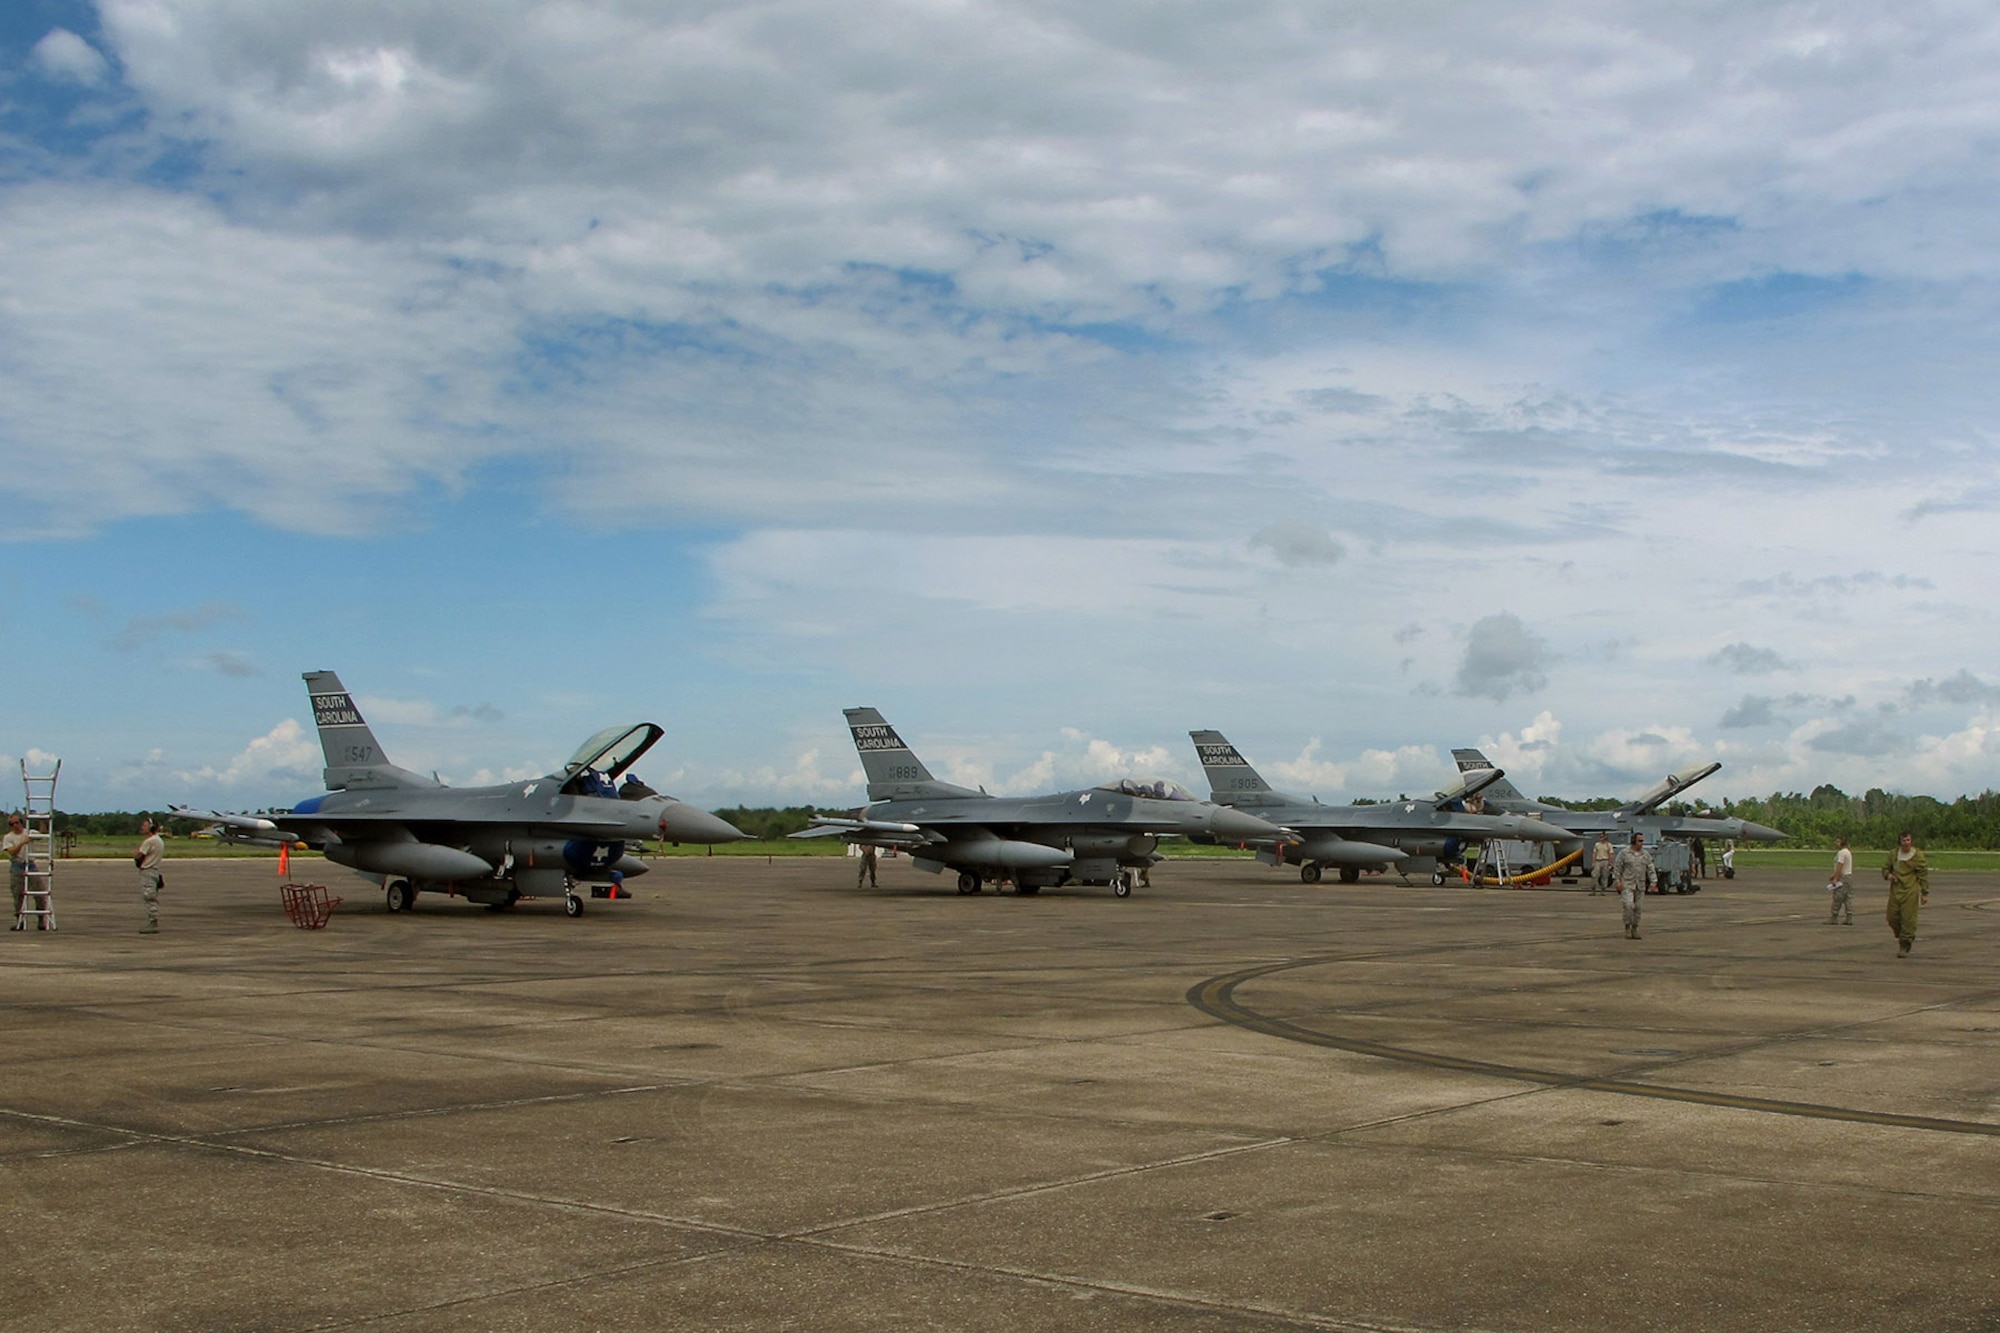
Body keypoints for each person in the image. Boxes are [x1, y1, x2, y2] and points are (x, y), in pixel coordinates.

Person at [1881, 830, 1929, 957]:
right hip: (1896, 890)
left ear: (1911, 841)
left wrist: (1925, 893)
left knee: (1908, 919)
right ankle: (1901, 934)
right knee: (1892, 917)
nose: (1906, 843)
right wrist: (1888, 875)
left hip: (1910, 891)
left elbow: (1923, 875)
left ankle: (1905, 944)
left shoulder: (1918, 855)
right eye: (1903, 840)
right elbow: (1885, 869)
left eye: (1908, 840)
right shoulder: (1893, 854)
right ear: (1900, 842)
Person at [1612, 832, 1653, 940]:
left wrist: (1654, 882)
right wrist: (1617, 881)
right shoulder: (1625, 853)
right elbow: (1618, 867)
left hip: (1640, 884)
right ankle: (1627, 927)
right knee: (1629, 905)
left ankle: (1635, 928)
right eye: (1640, 841)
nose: (1642, 843)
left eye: (1642, 841)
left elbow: (1650, 868)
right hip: (1627, 884)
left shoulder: (1645, 854)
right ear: (1634, 841)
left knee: (1638, 908)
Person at [135, 817, 165, 934]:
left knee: (149, 896)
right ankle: (153, 920)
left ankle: (153, 922)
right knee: (151, 896)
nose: (142, 827)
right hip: (155, 870)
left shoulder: (149, 841)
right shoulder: (159, 840)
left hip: (148, 870)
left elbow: (139, 855)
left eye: (145, 825)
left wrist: (136, 855)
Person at [5, 814, 31, 929]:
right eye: (12, 824)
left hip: (30, 864)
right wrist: (22, 843)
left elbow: (42, 834)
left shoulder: (28, 832)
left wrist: (42, 821)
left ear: (21, 822)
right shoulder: (8, 837)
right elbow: (12, 852)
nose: (15, 825)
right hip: (17, 865)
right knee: (17, 894)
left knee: (40, 892)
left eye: (17, 822)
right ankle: (20, 921)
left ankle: (42, 919)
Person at [1827, 836, 1854, 926]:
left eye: (1838, 841)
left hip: (1843, 877)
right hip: (1848, 877)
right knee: (1847, 898)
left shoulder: (1842, 853)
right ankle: (1849, 917)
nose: (1836, 843)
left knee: (1838, 897)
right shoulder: (1848, 852)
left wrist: (1836, 878)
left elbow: (1840, 865)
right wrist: (1834, 875)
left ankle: (1834, 917)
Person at [1590, 831, 1614, 897]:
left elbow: (1611, 854)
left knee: (1604, 876)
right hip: (1598, 861)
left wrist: (1610, 863)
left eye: (1602, 836)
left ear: (1605, 837)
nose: (1601, 838)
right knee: (1594, 875)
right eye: (1600, 836)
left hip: (1605, 861)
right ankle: (1593, 890)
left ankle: (1603, 890)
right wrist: (1593, 862)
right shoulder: (1597, 844)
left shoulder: (1609, 845)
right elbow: (1594, 854)